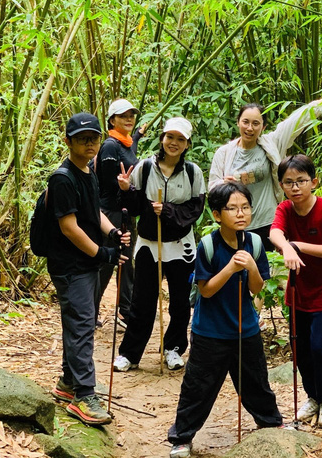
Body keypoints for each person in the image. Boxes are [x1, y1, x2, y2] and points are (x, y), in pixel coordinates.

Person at [168, 182, 283, 458]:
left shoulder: (255, 242)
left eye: (245, 207)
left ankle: (271, 425)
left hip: (246, 330)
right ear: (218, 215)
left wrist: (252, 266)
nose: (240, 214)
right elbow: (205, 290)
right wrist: (231, 268)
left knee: (256, 383)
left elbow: (257, 288)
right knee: (198, 387)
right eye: (232, 208)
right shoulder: (208, 245)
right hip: (210, 332)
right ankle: (181, 438)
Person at [47, 112, 130, 426]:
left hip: (85, 262)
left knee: (80, 320)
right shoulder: (63, 178)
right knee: (83, 324)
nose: (90, 144)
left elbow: (92, 211)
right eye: (82, 139)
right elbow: (69, 227)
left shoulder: (88, 171)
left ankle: (69, 382)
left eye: (94, 138)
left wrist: (111, 233)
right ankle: (84, 394)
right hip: (71, 265)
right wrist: (104, 254)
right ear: (68, 141)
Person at [112, 117, 205, 372]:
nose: (174, 143)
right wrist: (126, 190)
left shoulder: (192, 172)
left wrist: (167, 211)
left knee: (179, 302)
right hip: (148, 246)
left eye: (180, 139)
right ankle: (130, 354)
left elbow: (195, 209)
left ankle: (173, 349)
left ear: (187, 144)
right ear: (162, 138)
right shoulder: (144, 168)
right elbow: (134, 208)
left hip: (180, 246)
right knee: (142, 301)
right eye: (170, 137)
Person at [208, 84, 322, 251]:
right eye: (245, 122)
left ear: (263, 126)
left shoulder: (271, 143)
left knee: (267, 271)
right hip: (235, 223)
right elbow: (212, 186)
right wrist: (223, 184)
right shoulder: (224, 153)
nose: (250, 128)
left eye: (256, 123)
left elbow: (294, 121)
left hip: (267, 221)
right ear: (238, 122)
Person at [269, 154, 322, 427]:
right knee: (300, 348)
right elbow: (274, 234)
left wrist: (298, 245)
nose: (295, 187)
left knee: (321, 347)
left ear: (314, 182)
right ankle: (312, 396)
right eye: (288, 182)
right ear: (281, 186)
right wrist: (287, 246)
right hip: (298, 291)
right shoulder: (285, 209)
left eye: (301, 181)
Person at [94, 99, 144, 328]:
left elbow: (131, 151)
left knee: (126, 263)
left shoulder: (126, 143)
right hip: (110, 213)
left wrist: (140, 135)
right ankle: (90, 313)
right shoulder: (111, 146)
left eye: (132, 115)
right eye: (123, 115)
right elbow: (106, 182)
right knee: (107, 262)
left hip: (126, 212)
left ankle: (125, 311)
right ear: (112, 120)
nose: (129, 118)